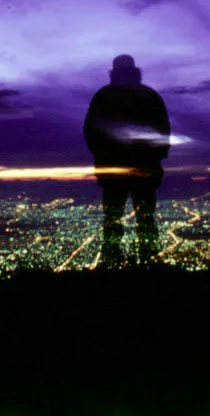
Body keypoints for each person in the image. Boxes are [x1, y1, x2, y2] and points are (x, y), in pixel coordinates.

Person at [83, 55, 171, 268]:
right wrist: (155, 157)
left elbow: (90, 131)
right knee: (146, 218)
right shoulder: (150, 96)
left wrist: (103, 156)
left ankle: (112, 259)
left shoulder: (103, 96)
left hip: (112, 169)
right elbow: (163, 131)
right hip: (145, 168)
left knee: (113, 217)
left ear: (114, 72)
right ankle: (150, 260)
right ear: (135, 71)